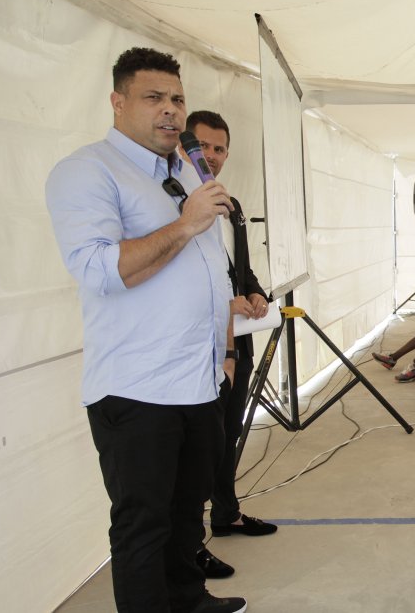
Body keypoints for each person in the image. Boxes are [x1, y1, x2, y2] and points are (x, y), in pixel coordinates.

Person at [44, 48, 245, 612]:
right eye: (153, 98)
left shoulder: (185, 170)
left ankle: (188, 597)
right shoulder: (87, 171)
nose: (171, 111)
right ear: (118, 101)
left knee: (187, 512)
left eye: (177, 99)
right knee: (143, 524)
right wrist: (185, 224)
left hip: (199, 380)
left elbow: (210, 273)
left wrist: (225, 354)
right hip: (137, 388)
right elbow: (101, 270)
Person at [184, 111, 279, 555]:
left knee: (229, 432)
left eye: (220, 149)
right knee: (200, 443)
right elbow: (175, 283)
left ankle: (226, 513)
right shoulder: (175, 205)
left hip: (237, 337)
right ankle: (189, 542)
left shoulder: (230, 205)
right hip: (198, 344)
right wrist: (224, 304)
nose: (213, 157)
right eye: (204, 146)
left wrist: (255, 294)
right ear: (186, 146)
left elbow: (238, 269)